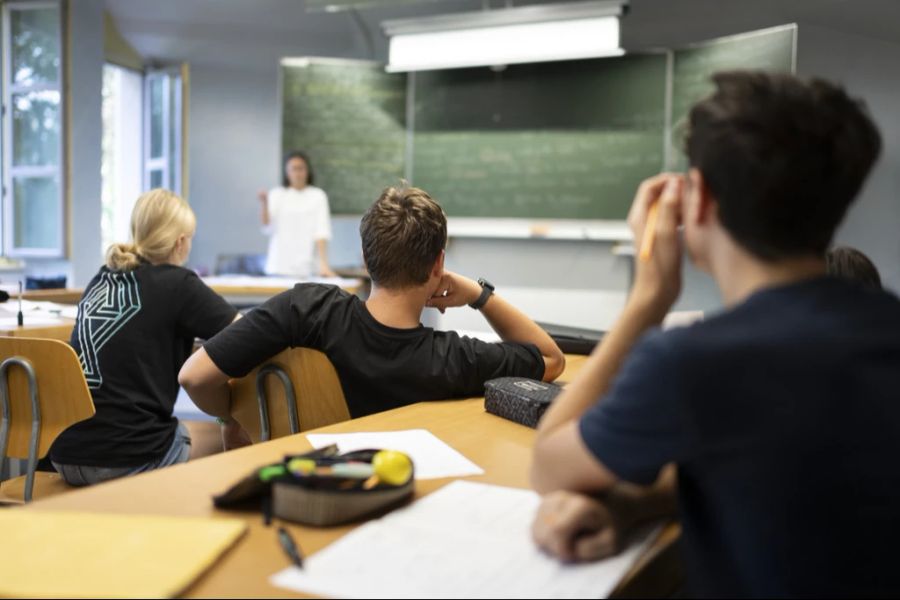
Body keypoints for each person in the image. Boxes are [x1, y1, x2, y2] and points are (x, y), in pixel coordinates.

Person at [530, 71, 900, 597]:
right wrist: (635, 503)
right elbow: (782, 473)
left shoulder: (690, 363)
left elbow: (549, 467)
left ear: (698, 199)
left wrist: (649, 298)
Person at [179, 185, 565, 434]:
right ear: (438, 264)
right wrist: (479, 295)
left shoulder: (306, 308)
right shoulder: (455, 358)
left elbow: (194, 378)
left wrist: (231, 416)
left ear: (365, 258)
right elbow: (551, 358)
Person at [50, 189, 239, 486]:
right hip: (126, 460)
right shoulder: (180, 284)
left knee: (179, 429)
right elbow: (246, 336)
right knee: (226, 434)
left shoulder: (103, 277)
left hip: (63, 455)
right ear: (181, 242)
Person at [258, 151, 336, 278]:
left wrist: (324, 264)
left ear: (307, 171)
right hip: (278, 266)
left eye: (301, 168)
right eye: (293, 169)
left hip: (307, 268)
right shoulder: (277, 194)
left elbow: (321, 231)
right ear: (287, 172)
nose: (298, 173)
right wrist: (264, 203)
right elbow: (267, 226)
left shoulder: (318, 195)